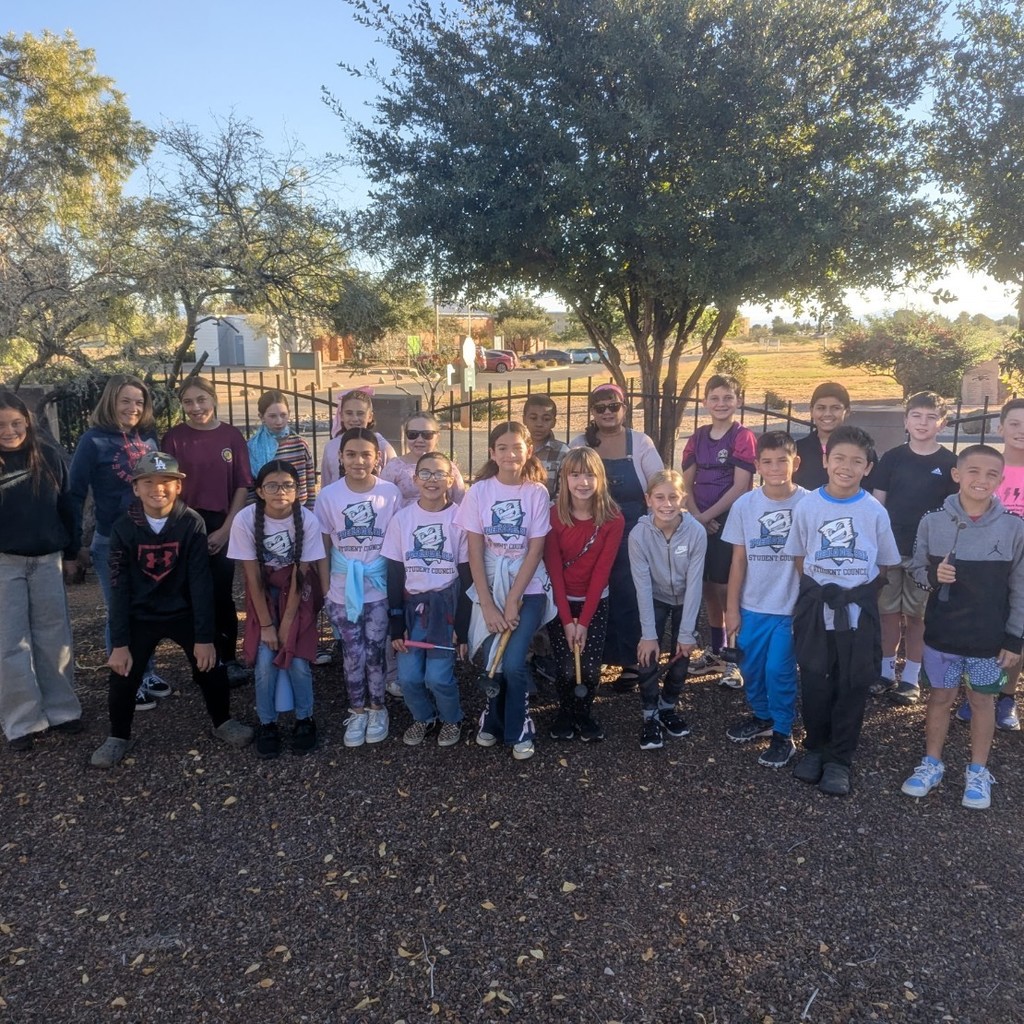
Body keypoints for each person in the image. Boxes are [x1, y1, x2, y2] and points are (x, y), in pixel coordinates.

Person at [90, 452, 253, 768]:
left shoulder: (191, 522)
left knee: (212, 665)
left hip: (183, 611)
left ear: (179, 487)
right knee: (123, 674)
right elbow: (118, 587)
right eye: (148, 482)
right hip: (140, 614)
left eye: (166, 482)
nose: (157, 489)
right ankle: (118, 735)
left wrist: (204, 637)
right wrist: (120, 643)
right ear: (136, 488)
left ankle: (222, 721)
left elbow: (200, 582)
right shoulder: (124, 527)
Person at [901, 444, 1024, 810]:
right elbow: (915, 569)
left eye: (991, 474)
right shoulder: (932, 522)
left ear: (1001, 481)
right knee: (939, 698)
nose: (981, 480)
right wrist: (933, 577)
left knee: (982, 701)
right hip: (942, 636)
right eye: (973, 471)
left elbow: (1020, 585)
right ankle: (932, 763)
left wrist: (1014, 636)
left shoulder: (1014, 528)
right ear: (956, 474)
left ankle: (978, 770)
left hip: (988, 640)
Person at [783, 424, 900, 796]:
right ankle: (815, 747)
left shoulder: (874, 511)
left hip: (857, 613)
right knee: (816, 681)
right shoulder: (808, 505)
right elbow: (800, 555)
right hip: (818, 609)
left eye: (856, 461)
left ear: (868, 468)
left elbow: (883, 563)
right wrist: (825, 590)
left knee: (852, 685)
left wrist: (854, 592)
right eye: (839, 459)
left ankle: (839, 758)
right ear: (825, 460)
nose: (846, 467)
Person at [456, 421, 556, 760]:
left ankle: (519, 726)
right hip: (489, 585)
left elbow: (536, 549)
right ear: (492, 453)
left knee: (513, 663)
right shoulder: (479, 492)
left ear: (528, 450)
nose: (510, 454)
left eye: (517, 447)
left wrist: (513, 600)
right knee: (491, 658)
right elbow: (473, 550)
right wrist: (487, 603)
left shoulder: (536, 493)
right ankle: (492, 719)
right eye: (503, 448)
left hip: (528, 589)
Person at [68, 374, 165, 706]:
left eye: (139, 402)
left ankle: (146, 669)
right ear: (111, 401)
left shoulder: (149, 439)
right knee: (119, 611)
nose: (133, 408)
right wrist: (73, 544)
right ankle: (126, 678)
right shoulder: (93, 441)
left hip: (148, 540)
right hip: (112, 541)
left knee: (146, 608)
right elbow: (75, 492)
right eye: (125, 401)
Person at [228, 460, 326, 759]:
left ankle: (305, 719)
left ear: (297, 491)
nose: (280, 491)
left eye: (287, 485)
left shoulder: (307, 521)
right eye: (272, 485)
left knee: (296, 660)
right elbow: (252, 579)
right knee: (264, 661)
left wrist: (285, 626)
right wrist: (269, 625)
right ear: (259, 490)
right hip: (264, 598)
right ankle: (267, 723)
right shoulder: (245, 519)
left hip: (297, 596)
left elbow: (300, 577)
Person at [0, 393, 82, 751]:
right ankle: (23, 721)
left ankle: (62, 710)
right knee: (10, 644)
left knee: (55, 638)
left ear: (28, 423)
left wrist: (73, 550)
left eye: (16, 423)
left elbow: (68, 504)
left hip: (48, 559)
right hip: (5, 562)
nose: (10, 431)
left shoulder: (48, 456)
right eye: (1, 425)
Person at [570, 385, 663, 690]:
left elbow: (658, 484)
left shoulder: (640, 442)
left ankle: (631, 663)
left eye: (614, 406)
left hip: (632, 532)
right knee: (592, 594)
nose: (608, 412)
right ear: (592, 412)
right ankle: (593, 658)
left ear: (625, 408)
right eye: (600, 407)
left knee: (628, 595)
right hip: (591, 530)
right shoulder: (580, 443)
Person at [162, 376, 253, 684]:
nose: (195, 407)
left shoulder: (231, 436)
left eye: (201, 399)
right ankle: (201, 662)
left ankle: (228, 659)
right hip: (184, 523)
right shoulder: (174, 438)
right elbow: (167, 487)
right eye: (188, 402)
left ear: (213, 399)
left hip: (221, 523)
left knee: (221, 594)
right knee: (191, 594)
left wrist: (227, 529)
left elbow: (242, 484)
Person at [722, 431, 806, 768]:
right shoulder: (745, 505)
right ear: (756, 465)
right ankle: (762, 716)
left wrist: (807, 607)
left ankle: (783, 733)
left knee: (778, 671)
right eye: (767, 462)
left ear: (795, 463)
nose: (775, 468)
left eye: (782, 461)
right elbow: (738, 560)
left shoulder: (809, 503)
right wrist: (732, 608)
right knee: (751, 667)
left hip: (790, 608)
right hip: (752, 606)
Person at [315, 428, 401, 747]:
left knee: (376, 651)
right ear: (340, 456)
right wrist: (326, 589)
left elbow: (397, 543)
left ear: (377, 458)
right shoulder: (329, 496)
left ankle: (378, 708)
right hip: (342, 589)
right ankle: (357, 709)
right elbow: (323, 545)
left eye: (366, 454)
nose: (359, 460)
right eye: (351, 454)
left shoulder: (390, 494)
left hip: (378, 587)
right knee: (352, 652)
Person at [869, 392, 957, 704]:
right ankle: (886, 672)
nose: (923, 423)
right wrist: (877, 546)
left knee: (918, 616)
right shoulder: (892, 458)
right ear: (906, 420)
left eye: (931, 417)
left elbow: (953, 514)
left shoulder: (950, 464)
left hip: (927, 556)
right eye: (916, 416)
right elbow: (877, 505)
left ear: (942, 423)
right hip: (891, 550)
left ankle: (911, 677)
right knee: (888, 613)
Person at [382, 451, 470, 748]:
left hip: (445, 610)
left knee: (438, 677)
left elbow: (467, 575)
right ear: (415, 478)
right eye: (426, 474)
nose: (432, 480)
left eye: (440, 474)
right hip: (411, 610)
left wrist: (462, 624)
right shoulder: (402, 520)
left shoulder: (460, 519)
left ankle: (451, 718)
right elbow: (394, 573)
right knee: (407, 678)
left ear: (450, 479)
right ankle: (423, 716)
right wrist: (396, 623)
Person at [544, 448, 625, 742]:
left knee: (589, 667)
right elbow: (554, 572)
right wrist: (567, 620)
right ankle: (565, 712)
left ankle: (584, 713)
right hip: (561, 602)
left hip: (594, 602)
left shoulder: (613, 519)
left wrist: (584, 621)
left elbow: (601, 573)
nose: (583, 482)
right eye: (575, 475)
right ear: (564, 479)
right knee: (566, 664)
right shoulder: (553, 517)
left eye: (590, 474)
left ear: (600, 478)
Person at [681, 374, 756, 685]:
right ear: (705, 402)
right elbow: (684, 482)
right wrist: (697, 515)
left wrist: (707, 517)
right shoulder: (697, 438)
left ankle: (735, 659)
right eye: (715, 398)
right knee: (709, 588)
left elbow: (741, 486)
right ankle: (716, 650)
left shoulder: (743, 437)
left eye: (728, 398)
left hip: (730, 522)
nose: (721, 404)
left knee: (730, 590)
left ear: (737, 401)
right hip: (701, 520)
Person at [957, 398, 1024, 732]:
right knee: (980, 627)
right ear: (1001, 428)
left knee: (1016, 630)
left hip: (1020, 561)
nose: (1021, 431)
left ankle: (1007, 697)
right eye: (1014, 423)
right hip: (985, 560)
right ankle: (976, 693)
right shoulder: (985, 466)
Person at [628, 470, 707, 750]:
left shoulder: (696, 532)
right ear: (648, 499)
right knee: (648, 654)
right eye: (659, 497)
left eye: (673, 497)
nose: (666, 504)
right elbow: (642, 586)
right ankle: (649, 713)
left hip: (686, 598)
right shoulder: (638, 535)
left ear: (683, 498)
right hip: (656, 597)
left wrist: (687, 633)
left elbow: (696, 583)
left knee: (681, 654)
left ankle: (668, 706)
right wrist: (648, 634)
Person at [379, 412, 466, 508]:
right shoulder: (394, 467)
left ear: (437, 437)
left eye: (427, 435)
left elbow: (461, 501)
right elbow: (381, 501)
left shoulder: (448, 467)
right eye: (413, 434)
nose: (419, 440)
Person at [246, 389, 316, 508]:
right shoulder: (252, 447)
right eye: (272, 416)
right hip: (265, 512)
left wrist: (310, 511)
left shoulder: (300, 444)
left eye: (283, 415)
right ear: (261, 417)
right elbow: (250, 487)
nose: (279, 421)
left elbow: (310, 482)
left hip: (298, 510)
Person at [320, 389, 397, 487]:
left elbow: (393, 483)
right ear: (341, 416)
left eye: (360, 413)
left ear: (370, 417)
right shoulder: (331, 447)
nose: (355, 419)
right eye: (349, 413)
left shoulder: (383, 447)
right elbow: (326, 484)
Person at [793, 382, 850, 491]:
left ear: (846, 411)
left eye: (835, 408)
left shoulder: (860, 450)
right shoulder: (798, 449)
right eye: (821, 408)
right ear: (811, 411)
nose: (827, 413)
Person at [523, 394, 570, 500]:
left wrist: (542, 510)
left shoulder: (563, 452)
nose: (539, 424)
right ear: (524, 419)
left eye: (546, 419)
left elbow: (563, 494)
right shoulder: (514, 450)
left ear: (554, 422)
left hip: (549, 513)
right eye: (533, 418)